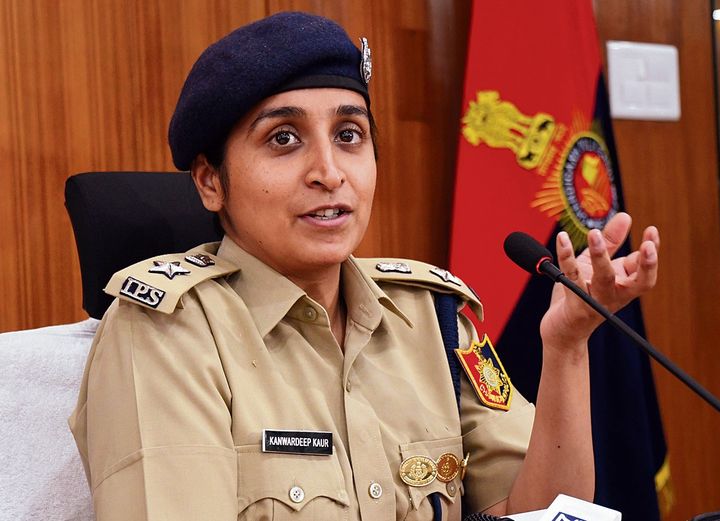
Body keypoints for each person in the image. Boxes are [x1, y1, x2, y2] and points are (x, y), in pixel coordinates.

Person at [69, 11, 660, 521]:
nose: (330, 172)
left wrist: (566, 347)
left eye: (349, 134)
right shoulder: (168, 335)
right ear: (209, 182)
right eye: (283, 139)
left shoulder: (434, 320)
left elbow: (542, 513)